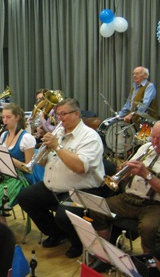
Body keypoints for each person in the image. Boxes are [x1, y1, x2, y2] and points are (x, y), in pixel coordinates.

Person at [17, 98, 105, 258]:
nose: (60, 119)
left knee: (63, 216)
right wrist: (42, 152)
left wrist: (57, 146)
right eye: (58, 115)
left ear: (77, 114)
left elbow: (80, 167)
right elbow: (44, 163)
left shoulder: (90, 137)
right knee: (25, 197)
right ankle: (57, 233)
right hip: (54, 186)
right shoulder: (59, 132)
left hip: (81, 189)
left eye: (63, 114)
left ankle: (77, 242)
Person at [90, 121, 160, 258]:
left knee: (149, 229)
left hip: (154, 205)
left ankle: (149, 265)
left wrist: (146, 174)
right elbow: (128, 171)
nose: (155, 142)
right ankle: (105, 255)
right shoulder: (146, 147)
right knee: (97, 209)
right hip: (129, 198)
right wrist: (124, 171)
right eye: (153, 137)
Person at [0, 103, 38, 218]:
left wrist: (8, 159)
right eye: (3, 117)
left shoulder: (26, 138)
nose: (5, 120)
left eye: (8, 117)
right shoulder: (3, 135)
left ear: (17, 117)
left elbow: (29, 168)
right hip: (4, 175)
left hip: (20, 179)